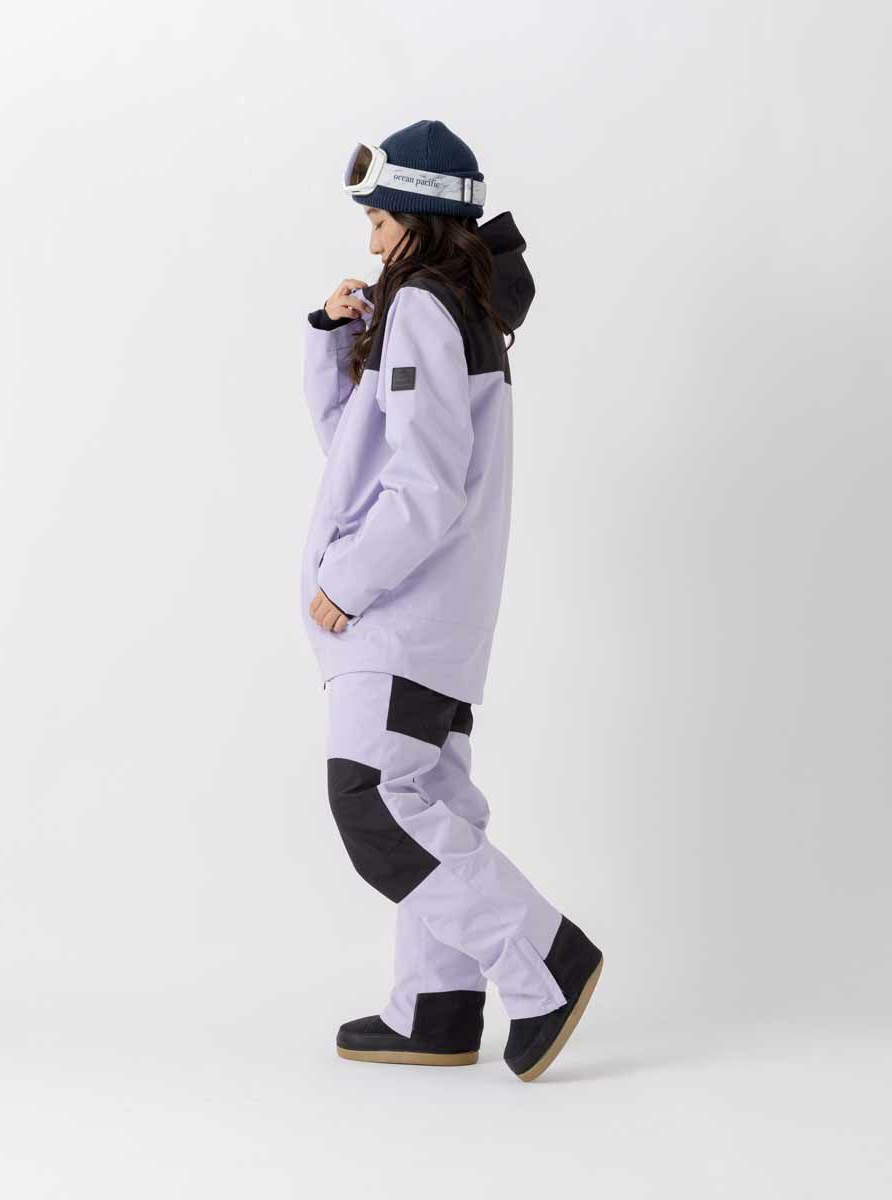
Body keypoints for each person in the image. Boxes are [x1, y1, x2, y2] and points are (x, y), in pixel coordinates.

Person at [299, 120, 602, 1081]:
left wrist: (345, 584)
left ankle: (546, 960)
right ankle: (436, 1007)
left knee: (372, 804)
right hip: (435, 620)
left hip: (399, 615)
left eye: (381, 219)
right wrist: (334, 339)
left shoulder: (426, 310)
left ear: (419, 216)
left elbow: (422, 487)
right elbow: (358, 456)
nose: (371, 238)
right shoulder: (448, 310)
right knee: (426, 800)